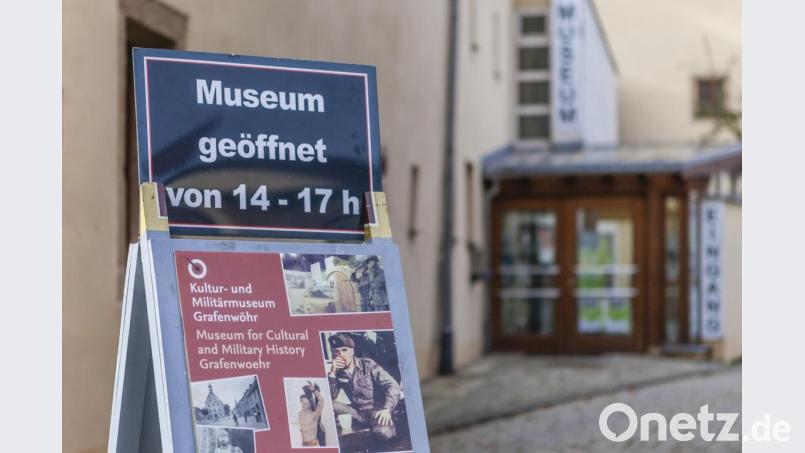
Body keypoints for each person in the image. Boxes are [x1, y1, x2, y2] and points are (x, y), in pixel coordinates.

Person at [327, 333, 401, 444]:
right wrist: (332, 373)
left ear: (352, 351)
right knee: (329, 404)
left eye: (344, 350)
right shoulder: (338, 372)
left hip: (375, 411)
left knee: (384, 433)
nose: (340, 355)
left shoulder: (368, 365)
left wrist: (386, 410)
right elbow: (332, 396)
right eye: (336, 351)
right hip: (356, 413)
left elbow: (393, 385)